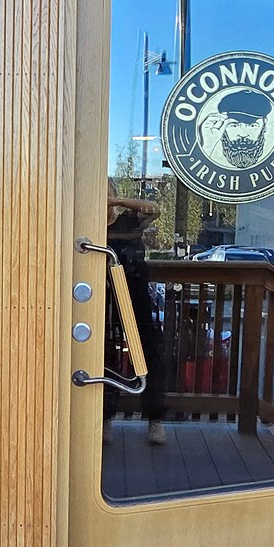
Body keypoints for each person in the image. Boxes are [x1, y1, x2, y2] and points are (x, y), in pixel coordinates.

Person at [103, 179, 167, 445]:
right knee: (103, 355)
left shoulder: (130, 221)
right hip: (101, 299)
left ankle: (155, 420)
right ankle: (104, 419)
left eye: (107, 192)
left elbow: (155, 209)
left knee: (148, 352)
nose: (103, 198)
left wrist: (116, 202)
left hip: (134, 296)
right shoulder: (87, 224)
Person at [200, 89, 273, 168]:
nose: (243, 134)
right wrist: (208, 144)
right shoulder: (209, 145)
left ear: (264, 125)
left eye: (252, 126)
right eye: (234, 126)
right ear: (222, 125)